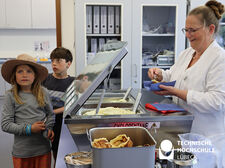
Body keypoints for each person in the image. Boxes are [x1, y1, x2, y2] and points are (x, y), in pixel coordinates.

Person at [148, 0, 225, 166]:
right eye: (186, 30)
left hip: (206, 140)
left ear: (210, 29)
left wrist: (177, 92)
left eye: (193, 30)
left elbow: (217, 102)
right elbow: (175, 76)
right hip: (182, 134)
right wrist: (160, 74)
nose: (188, 35)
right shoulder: (188, 53)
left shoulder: (220, 59)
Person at [1, 54, 55, 168]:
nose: (24, 74)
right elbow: (6, 125)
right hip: (22, 153)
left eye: (29, 71)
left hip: (43, 150)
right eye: (20, 71)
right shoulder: (10, 96)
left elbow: (50, 114)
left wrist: (48, 129)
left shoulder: (43, 92)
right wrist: (30, 129)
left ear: (35, 75)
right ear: (14, 75)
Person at [42, 47, 75, 161]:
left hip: (62, 123)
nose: (54, 64)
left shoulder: (73, 83)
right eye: (52, 61)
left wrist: (52, 112)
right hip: (45, 121)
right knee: (45, 153)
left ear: (68, 63)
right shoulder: (45, 79)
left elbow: (72, 105)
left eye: (58, 61)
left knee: (61, 151)